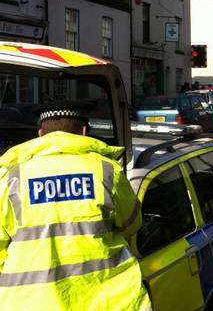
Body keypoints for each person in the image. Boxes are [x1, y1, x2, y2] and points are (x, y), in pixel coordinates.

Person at [0, 102, 150, 310]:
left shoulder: (11, 177)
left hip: (30, 302)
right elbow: (132, 224)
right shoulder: (106, 171)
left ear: (41, 134)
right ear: (84, 131)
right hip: (106, 301)